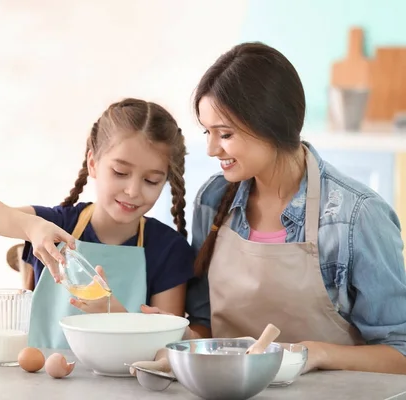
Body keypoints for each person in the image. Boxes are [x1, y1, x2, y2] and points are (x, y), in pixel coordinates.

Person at [143, 42, 406, 375]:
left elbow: (400, 352)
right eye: (207, 132)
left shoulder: (356, 217)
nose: (211, 149)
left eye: (224, 134)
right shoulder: (213, 199)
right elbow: (207, 324)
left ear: (271, 124)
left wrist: (317, 354)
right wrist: (182, 336)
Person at [0, 98, 195, 349]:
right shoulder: (58, 225)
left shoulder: (168, 249)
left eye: (151, 180)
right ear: (93, 163)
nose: (133, 190)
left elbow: (167, 345)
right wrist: (30, 226)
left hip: (126, 387)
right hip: (40, 382)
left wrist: (114, 312)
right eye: (120, 173)